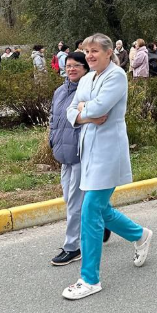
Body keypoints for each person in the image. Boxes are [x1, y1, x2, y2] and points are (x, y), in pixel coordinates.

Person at [63, 34, 153, 300]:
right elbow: (72, 110)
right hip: (89, 149)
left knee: (90, 209)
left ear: (108, 52)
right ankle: (140, 235)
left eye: (94, 51)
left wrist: (84, 109)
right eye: (86, 51)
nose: (89, 56)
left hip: (108, 152)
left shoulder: (117, 76)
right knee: (101, 208)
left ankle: (89, 278)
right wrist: (84, 113)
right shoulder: (88, 78)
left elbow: (102, 107)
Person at [48, 52, 111, 266]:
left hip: (81, 154)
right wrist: (52, 141)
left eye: (76, 65)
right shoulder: (59, 91)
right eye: (68, 65)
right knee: (70, 199)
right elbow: (54, 119)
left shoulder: (89, 91)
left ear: (86, 69)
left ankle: (72, 247)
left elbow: (99, 118)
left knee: (74, 203)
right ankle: (101, 221)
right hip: (63, 154)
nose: (71, 69)